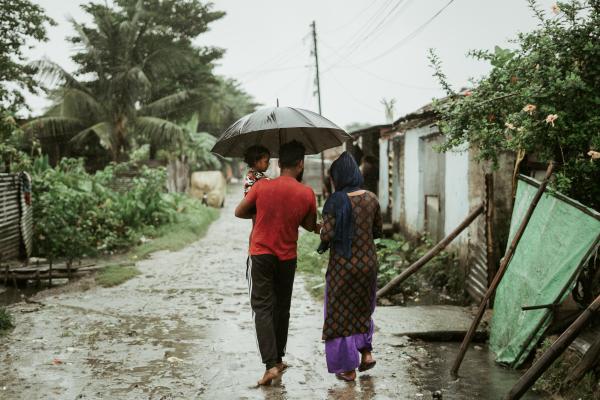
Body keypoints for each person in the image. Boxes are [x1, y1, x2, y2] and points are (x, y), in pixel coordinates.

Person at [235, 140, 320, 386]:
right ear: (301, 164)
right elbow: (309, 224)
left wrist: (261, 211)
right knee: (282, 308)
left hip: (261, 254)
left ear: (279, 162)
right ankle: (279, 359)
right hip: (287, 258)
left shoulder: (262, 186)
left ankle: (271, 365)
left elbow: (239, 212)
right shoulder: (306, 193)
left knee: (262, 308)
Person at [318, 151, 383, 382]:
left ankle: (347, 369)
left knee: (339, 315)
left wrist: (322, 226)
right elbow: (377, 231)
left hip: (342, 268)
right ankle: (366, 353)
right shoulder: (371, 198)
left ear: (338, 177)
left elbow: (327, 236)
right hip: (368, 264)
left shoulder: (336, 201)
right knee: (362, 309)